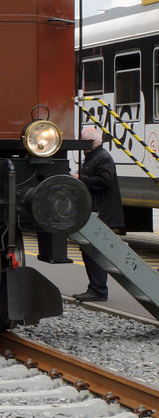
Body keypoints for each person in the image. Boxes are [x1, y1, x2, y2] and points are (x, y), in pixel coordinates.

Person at [73, 126, 125, 302]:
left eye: (84, 142)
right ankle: (95, 288)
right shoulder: (96, 157)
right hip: (96, 212)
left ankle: (98, 289)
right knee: (90, 253)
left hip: (101, 213)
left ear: (92, 142)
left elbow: (104, 181)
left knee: (94, 254)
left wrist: (81, 179)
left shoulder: (102, 158)